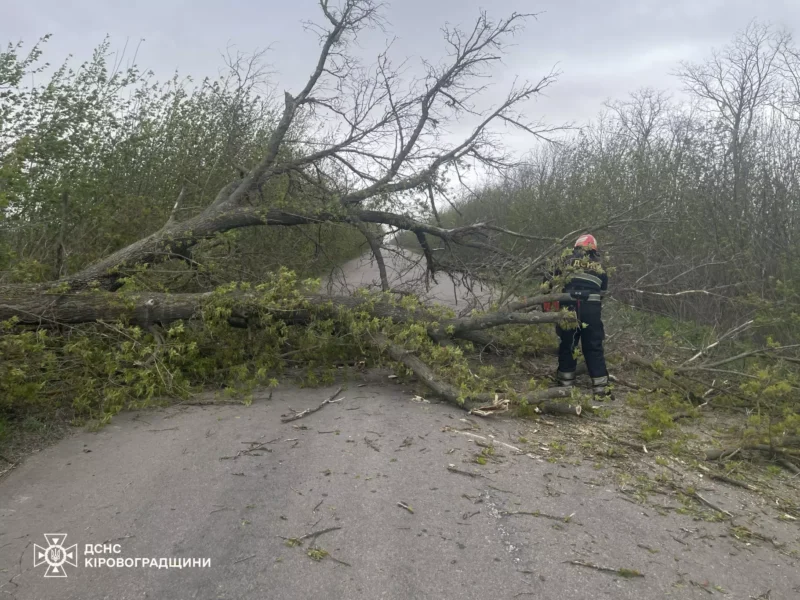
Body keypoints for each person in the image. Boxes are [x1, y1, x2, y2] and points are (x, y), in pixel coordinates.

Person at [542, 234, 611, 399]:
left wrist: (547, 301)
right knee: (594, 346)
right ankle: (601, 389)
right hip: (591, 310)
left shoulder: (566, 260)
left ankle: (565, 385)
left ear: (576, 246)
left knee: (568, 343)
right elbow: (602, 292)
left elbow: (547, 281)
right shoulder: (601, 265)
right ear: (594, 249)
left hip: (569, 307)